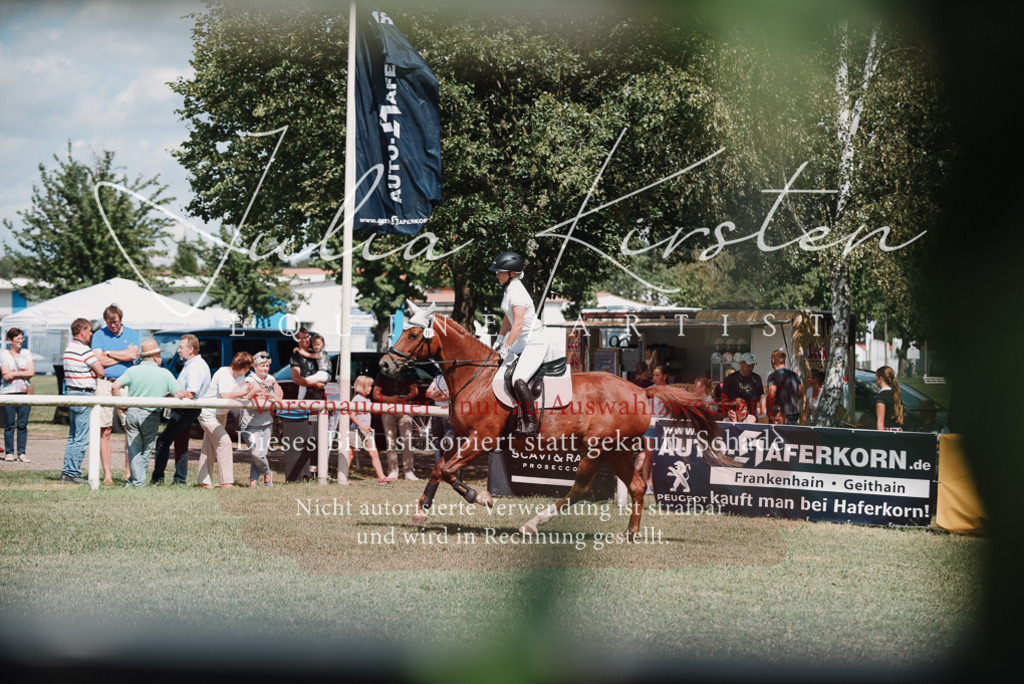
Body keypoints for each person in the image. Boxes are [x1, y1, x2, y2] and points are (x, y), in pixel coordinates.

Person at [111, 340, 188, 487]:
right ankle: (139, 483)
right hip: (150, 414)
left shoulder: (132, 370)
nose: (160, 358)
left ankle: (134, 482)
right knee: (146, 451)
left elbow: (115, 386)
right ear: (154, 357)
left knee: (133, 449)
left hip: (132, 412)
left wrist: (120, 405)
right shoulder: (164, 373)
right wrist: (165, 398)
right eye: (159, 355)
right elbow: (179, 394)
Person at [489, 250, 548, 437]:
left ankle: (532, 423)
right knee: (498, 374)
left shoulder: (517, 292)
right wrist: (499, 338)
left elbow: (519, 323)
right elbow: (508, 317)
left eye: (501, 272)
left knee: (517, 379)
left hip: (534, 343)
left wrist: (506, 346)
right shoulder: (509, 289)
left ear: (512, 274)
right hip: (521, 343)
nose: (497, 275)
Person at [151, 334, 211, 485]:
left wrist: (171, 394)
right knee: (181, 444)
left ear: (191, 349)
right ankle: (179, 479)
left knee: (163, 441)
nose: (178, 350)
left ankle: (158, 478)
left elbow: (190, 393)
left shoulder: (196, 367)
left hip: (186, 409)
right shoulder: (192, 364)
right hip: (185, 409)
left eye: (180, 347)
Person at [91, 304, 140, 485]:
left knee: (130, 428)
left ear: (121, 319)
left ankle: (129, 472)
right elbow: (97, 359)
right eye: (110, 323)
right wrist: (123, 355)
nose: (113, 326)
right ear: (106, 321)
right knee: (105, 429)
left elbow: (133, 355)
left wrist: (109, 353)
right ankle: (108, 475)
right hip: (105, 383)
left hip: (125, 384)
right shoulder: (99, 335)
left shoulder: (131, 333)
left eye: (116, 322)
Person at [197, 352, 255, 488]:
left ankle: (203, 482)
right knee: (225, 443)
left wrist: (252, 393)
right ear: (242, 366)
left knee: (209, 448)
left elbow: (240, 396)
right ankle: (226, 482)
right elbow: (225, 395)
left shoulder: (240, 377)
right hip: (208, 414)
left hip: (221, 415)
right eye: (247, 367)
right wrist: (243, 392)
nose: (248, 370)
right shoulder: (223, 372)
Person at [59, 318, 105, 484]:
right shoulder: (84, 350)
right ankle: (72, 472)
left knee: (73, 436)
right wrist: (94, 371)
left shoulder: (68, 349)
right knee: (81, 437)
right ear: (82, 331)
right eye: (89, 330)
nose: (91, 334)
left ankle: (67, 470)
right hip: (83, 395)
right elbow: (100, 371)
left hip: (72, 393)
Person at [240, 351, 282, 488]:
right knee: (256, 453)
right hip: (250, 424)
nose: (265, 369)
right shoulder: (249, 380)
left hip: (266, 423)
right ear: (255, 366)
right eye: (262, 365)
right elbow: (245, 395)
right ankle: (267, 473)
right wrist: (259, 394)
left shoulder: (270, 379)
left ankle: (253, 481)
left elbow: (279, 397)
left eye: (267, 366)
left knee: (261, 454)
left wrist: (274, 384)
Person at [373, 367, 420, 480]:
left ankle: (409, 471)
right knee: (390, 440)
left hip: (405, 408)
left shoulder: (408, 371)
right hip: (387, 409)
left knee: (407, 440)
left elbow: (415, 391)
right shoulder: (383, 373)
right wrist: (390, 399)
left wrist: (406, 397)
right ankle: (393, 470)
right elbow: (376, 394)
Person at [347, 375, 390, 483]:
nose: (371, 388)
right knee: (351, 454)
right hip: (357, 430)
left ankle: (382, 478)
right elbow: (352, 415)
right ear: (362, 386)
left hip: (366, 431)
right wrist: (362, 426)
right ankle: (343, 477)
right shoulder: (357, 399)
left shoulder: (367, 399)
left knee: (374, 453)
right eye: (369, 386)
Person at [1, 327, 35, 462]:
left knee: (22, 424)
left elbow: (31, 372)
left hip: (24, 393)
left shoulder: (26, 353)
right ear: (10, 340)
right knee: (9, 424)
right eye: (18, 339)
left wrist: (14, 373)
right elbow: (5, 374)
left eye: (22, 338)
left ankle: (22, 452)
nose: (21, 341)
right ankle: (9, 452)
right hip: (7, 392)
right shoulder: (4, 354)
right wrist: (22, 372)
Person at [721, 352, 765, 418]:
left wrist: (750, 405)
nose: (751, 367)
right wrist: (734, 404)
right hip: (734, 413)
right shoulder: (731, 378)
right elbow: (724, 399)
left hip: (751, 413)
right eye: (749, 365)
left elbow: (759, 396)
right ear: (742, 363)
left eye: (753, 365)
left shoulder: (757, 378)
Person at [766, 350, 803, 424]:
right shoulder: (795, 375)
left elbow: (771, 395)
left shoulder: (773, 376)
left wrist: (769, 411)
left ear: (773, 361)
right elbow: (800, 394)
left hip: (779, 415)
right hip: (794, 412)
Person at [290, 328, 326, 401]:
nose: (307, 340)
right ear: (297, 339)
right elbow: (296, 379)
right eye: (303, 338)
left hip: (320, 395)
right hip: (307, 397)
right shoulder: (296, 357)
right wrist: (314, 384)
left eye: (308, 337)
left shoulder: (315, 352)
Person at [425, 371, 454, 464]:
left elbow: (447, 396)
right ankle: (438, 465)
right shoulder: (438, 378)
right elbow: (428, 393)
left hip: (448, 411)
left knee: (451, 441)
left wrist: (435, 394)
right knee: (437, 440)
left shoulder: (453, 377)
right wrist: (440, 394)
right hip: (436, 411)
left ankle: (452, 465)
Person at [874, 365, 904, 431]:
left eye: (876, 377)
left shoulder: (881, 396)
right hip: (898, 432)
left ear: (880, 378)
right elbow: (901, 421)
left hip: (886, 434)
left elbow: (880, 421)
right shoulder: (897, 396)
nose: (875, 379)